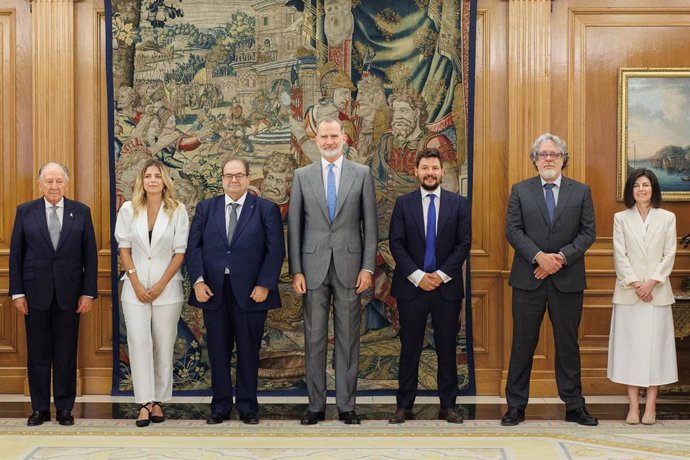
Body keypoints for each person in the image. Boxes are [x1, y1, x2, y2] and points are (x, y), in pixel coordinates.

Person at [502, 133, 597, 427]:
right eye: (543, 154)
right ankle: (516, 406)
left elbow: (587, 233)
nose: (548, 159)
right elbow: (513, 231)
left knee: (567, 345)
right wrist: (539, 257)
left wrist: (560, 259)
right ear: (534, 160)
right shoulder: (520, 190)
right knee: (522, 345)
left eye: (554, 154)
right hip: (528, 278)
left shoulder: (580, 192)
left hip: (567, 280)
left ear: (563, 159)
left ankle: (574, 405)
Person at [288, 116, 377, 425]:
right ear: (316, 141)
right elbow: (295, 228)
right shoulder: (302, 176)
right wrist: (296, 270)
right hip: (312, 269)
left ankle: (346, 405)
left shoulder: (362, 174)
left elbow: (371, 226)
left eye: (333, 136)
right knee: (313, 338)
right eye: (323, 136)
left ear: (344, 139)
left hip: (351, 269)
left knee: (348, 338)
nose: (328, 141)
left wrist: (368, 267)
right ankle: (315, 406)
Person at [186, 157, 285, 425]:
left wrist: (265, 284)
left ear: (248, 178)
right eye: (228, 176)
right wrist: (197, 282)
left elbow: (275, 250)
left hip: (253, 292)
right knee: (217, 350)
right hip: (213, 291)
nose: (233, 180)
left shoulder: (265, 209)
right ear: (222, 179)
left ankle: (247, 406)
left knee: (249, 350)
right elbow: (193, 248)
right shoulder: (207, 208)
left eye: (239, 175)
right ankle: (219, 406)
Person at [9, 162, 98, 426]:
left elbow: (90, 256)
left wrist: (88, 293)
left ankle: (64, 408)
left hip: (70, 296)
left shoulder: (81, 212)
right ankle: (39, 409)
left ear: (67, 184)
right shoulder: (25, 212)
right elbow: (16, 256)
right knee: (37, 353)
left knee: (66, 353)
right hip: (34, 294)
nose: (54, 186)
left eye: (59, 181)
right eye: (49, 181)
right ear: (39, 184)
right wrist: (17, 293)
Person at [387, 148, 470, 424]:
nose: (430, 172)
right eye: (425, 168)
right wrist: (418, 276)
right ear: (416, 171)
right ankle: (404, 406)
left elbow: (463, 244)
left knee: (447, 347)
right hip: (412, 288)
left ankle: (448, 406)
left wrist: (442, 274)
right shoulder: (403, 203)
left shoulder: (458, 204)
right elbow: (396, 244)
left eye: (435, 168)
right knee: (410, 346)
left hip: (446, 288)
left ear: (442, 172)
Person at [114, 159, 189, 427]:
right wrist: (134, 282)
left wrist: (159, 285)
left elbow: (180, 251)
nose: (153, 180)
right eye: (148, 176)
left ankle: (159, 400)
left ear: (164, 180)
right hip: (134, 288)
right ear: (141, 181)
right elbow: (123, 247)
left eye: (158, 176)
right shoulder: (128, 209)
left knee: (163, 344)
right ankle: (144, 402)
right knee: (138, 343)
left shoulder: (177, 210)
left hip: (167, 288)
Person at [608, 168, 677, 425]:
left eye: (645, 185)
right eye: (636, 185)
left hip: (657, 294)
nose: (641, 189)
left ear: (653, 188)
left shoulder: (667, 218)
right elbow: (619, 254)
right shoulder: (621, 218)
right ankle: (633, 407)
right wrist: (637, 284)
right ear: (630, 190)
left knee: (655, 352)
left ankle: (650, 407)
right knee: (631, 351)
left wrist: (651, 283)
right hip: (630, 294)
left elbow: (669, 254)